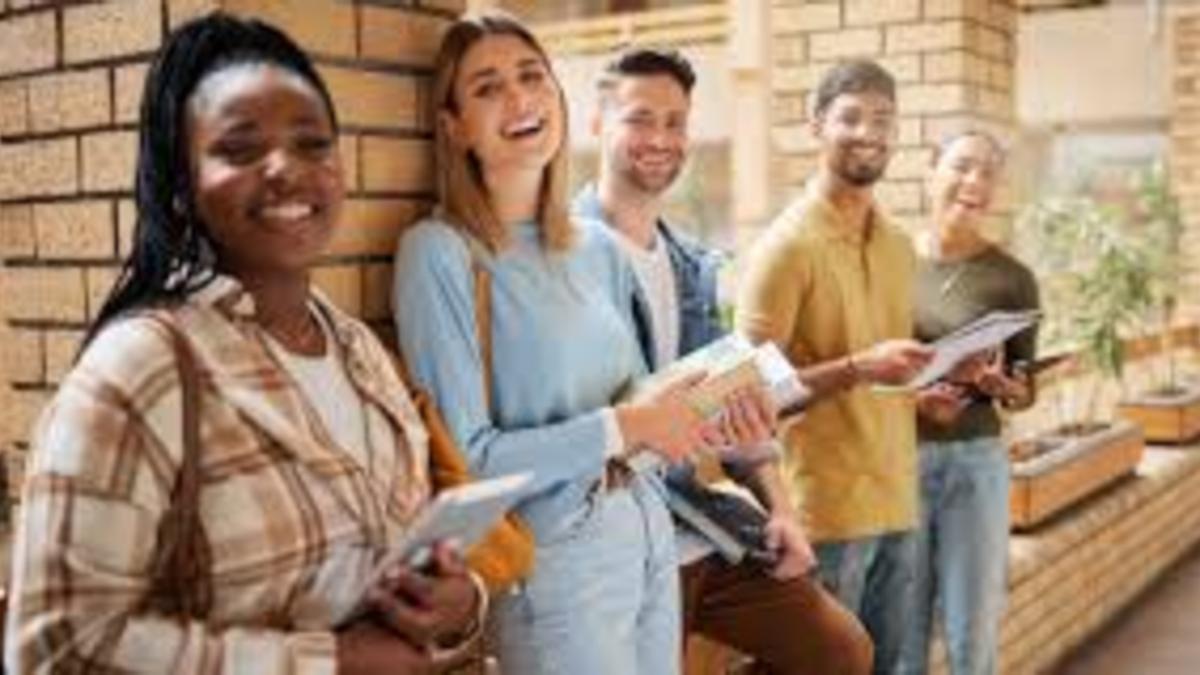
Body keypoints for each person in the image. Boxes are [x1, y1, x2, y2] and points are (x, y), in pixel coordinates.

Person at [4, 14, 482, 674]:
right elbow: (53, 651)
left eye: (313, 143)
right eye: (240, 147)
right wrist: (328, 662)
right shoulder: (138, 372)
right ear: (180, 187)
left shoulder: (359, 351)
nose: (286, 167)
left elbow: (405, 558)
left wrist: (458, 602)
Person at [391, 13, 718, 675]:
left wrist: (708, 407)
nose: (520, 98)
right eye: (487, 87)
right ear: (454, 126)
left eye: (532, 76)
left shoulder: (596, 247)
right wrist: (626, 423)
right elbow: (471, 459)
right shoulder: (441, 253)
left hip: (648, 526)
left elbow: (641, 403)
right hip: (557, 556)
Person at [574, 46, 872, 674]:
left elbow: (733, 401)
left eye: (675, 122)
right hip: (613, 539)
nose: (660, 138)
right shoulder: (560, 258)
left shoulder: (690, 264)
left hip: (696, 524)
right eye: (639, 119)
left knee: (842, 652)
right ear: (597, 124)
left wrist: (782, 511)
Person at [735, 59, 934, 675]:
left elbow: (893, 371)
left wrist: (943, 384)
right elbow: (749, 395)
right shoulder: (784, 248)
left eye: (883, 119)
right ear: (817, 124)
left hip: (900, 499)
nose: (868, 131)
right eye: (851, 116)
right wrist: (856, 367)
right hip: (823, 516)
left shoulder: (901, 245)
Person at [900, 131, 1039, 675]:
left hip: (976, 464)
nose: (975, 182)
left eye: (988, 173)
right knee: (901, 637)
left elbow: (1026, 385)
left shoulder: (1012, 279)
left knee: (971, 634)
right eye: (961, 166)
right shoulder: (890, 262)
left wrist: (1006, 386)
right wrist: (915, 398)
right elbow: (864, 366)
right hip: (898, 463)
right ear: (930, 170)